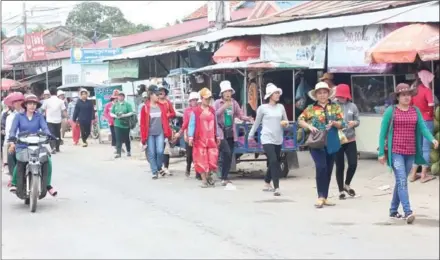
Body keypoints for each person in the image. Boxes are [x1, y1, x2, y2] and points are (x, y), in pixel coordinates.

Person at [378, 83, 438, 223]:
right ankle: (407, 211)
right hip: (396, 151)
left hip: (410, 152)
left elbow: (423, 128)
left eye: (409, 95)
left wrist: (432, 139)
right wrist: (381, 152)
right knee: (402, 180)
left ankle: (393, 210)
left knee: (401, 182)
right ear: (397, 97)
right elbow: (382, 134)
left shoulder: (415, 110)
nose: (406, 97)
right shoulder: (391, 111)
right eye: (403, 95)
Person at [298, 82, 344, 208]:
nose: (322, 95)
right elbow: (300, 120)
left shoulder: (335, 107)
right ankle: (320, 196)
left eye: (324, 92)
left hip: (332, 141)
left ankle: (325, 196)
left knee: (328, 170)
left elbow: (342, 123)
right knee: (321, 167)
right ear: (316, 95)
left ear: (328, 94)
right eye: (320, 93)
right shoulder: (311, 108)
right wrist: (309, 126)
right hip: (316, 142)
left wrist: (334, 123)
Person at [8, 94, 57, 196]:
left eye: (34, 104)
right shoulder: (18, 117)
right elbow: (13, 130)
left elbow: (44, 128)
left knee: (48, 160)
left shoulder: (39, 116)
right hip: (22, 145)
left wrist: (49, 135)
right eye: (30, 103)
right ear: (25, 105)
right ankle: (14, 183)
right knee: (20, 162)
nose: (32, 106)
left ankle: (47, 185)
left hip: (37, 144)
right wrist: (12, 139)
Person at [248, 83, 288, 196]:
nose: (278, 95)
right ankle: (277, 187)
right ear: (270, 95)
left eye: (278, 93)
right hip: (266, 138)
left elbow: (286, 121)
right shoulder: (262, 108)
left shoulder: (281, 107)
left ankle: (266, 182)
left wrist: (286, 125)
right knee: (274, 160)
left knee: (275, 160)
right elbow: (256, 123)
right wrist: (250, 135)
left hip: (278, 138)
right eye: (276, 93)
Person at [214, 80, 253, 186]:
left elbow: (240, 115)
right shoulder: (217, 103)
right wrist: (224, 107)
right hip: (220, 131)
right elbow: (215, 115)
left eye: (229, 91)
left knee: (229, 155)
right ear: (222, 93)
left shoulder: (234, 103)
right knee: (225, 151)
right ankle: (222, 175)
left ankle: (224, 177)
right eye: (225, 91)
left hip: (231, 131)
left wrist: (248, 118)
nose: (227, 93)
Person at [188, 88, 221, 188]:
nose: (208, 100)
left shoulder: (212, 110)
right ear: (201, 99)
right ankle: (204, 180)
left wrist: (217, 135)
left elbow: (215, 124)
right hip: (200, 139)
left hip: (211, 138)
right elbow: (192, 125)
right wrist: (190, 137)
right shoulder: (196, 111)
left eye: (209, 98)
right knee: (201, 160)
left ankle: (208, 176)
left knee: (212, 159)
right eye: (206, 98)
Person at [409, 70, 437, 183]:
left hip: (416, 121)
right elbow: (431, 104)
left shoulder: (414, 91)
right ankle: (423, 175)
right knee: (426, 148)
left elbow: (410, 105)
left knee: (418, 148)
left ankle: (412, 175)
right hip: (426, 121)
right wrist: (430, 111)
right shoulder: (427, 90)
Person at [334, 84, 360, 200]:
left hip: (350, 139)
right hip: (338, 139)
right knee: (340, 165)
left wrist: (354, 123)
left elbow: (358, 120)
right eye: (340, 96)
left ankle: (347, 184)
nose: (342, 99)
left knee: (353, 163)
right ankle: (340, 190)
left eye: (344, 97)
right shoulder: (333, 106)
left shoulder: (352, 106)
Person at [140, 85, 172, 179]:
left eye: (159, 94)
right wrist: (143, 138)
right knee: (152, 153)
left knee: (160, 151)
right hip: (149, 134)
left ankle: (158, 167)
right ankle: (154, 171)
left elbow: (165, 121)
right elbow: (142, 124)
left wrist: (168, 133)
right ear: (151, 95)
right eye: (156, 94)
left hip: (160, 132)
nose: (158, 96)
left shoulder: (162, 107)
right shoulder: (145, 108)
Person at [174, 92, 200, 178]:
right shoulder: (187, 111)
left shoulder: (201, 109)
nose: (194, 102)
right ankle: (188, 167)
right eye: (192, 100)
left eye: (196, 100)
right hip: (189, 134)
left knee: (198, 155)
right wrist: (184, 134)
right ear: (190, 101)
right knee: (189, 154)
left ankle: (198, 172)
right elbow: (185, 123)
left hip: (199, 135)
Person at [2, 92, 24, 185]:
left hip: (28, 140)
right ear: (13, 104)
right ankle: (12, 176)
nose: (18, 103)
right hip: (14, 140)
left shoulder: (28, 113)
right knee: (9, 150)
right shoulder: (9, 115)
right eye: (15, 102)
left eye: (20, 101)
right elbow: (8, 131)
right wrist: (11, 141)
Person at [157, 84, 176, 176]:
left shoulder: (168, 102)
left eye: (163, 91)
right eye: (160, 91)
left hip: (167, 127)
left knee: (166, 148)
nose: (161, 93)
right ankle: (159, 167)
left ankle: (166, 167)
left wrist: (167, 115)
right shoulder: (155, 103)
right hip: (157, 127)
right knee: (158, 148)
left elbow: (173, 113)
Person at [41, 87, 67, 154]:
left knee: (51, 133)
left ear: (50, 93)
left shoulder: (46, 101)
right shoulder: (61, 101)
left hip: (49, 120)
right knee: (58, 133)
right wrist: (67, 117)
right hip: (58, 120)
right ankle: (57, 148)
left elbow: (42, 109)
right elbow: (64, 111)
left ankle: (53, 147)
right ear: (56, 92)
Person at [110, 91, 134, 158]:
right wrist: (115, 116)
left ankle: (128, 151)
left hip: (126, 124)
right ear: (117, 97)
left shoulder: (127, 104)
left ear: (124, 97)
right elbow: (111, 113)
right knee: (118, 138)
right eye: (119, 96)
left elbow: (131, 112)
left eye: (122, 96)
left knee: (126, 138)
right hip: (117, 124)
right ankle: (118, 152)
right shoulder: (115, 105)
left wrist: (124, 115)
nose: (120, 97)